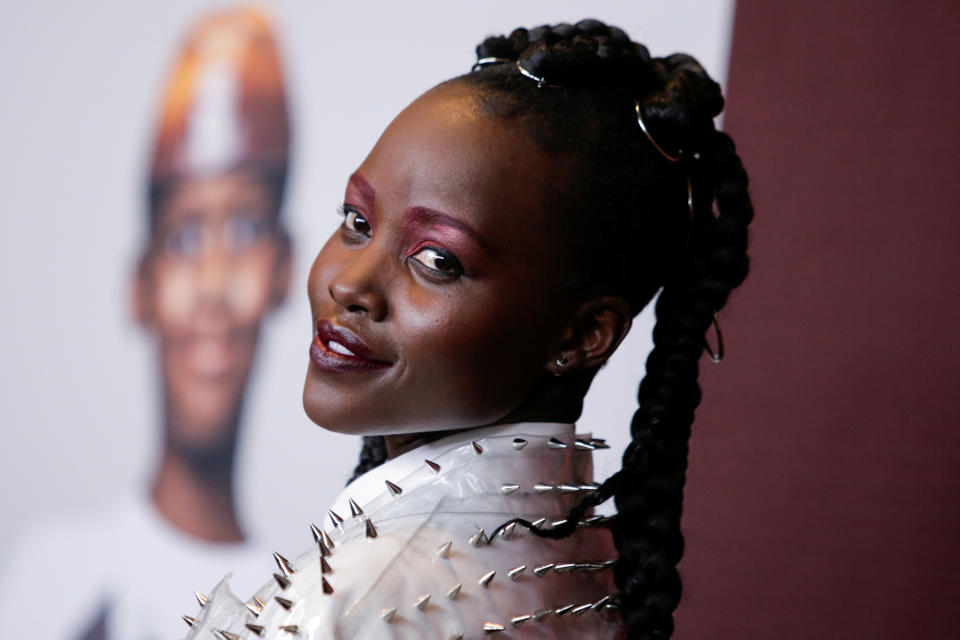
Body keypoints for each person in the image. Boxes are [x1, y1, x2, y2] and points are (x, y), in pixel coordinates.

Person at [183, 18, 752, 640]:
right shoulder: (576, 557)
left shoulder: (353, 603)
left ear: (581, 335)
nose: (350, 285)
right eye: (356, 221)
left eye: (437, 261)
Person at [0, 8, 292, 640]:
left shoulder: (303, 612)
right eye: (185, 236)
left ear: (283, 268)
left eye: (244, 228)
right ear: (141, 286)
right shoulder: (51, 575)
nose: (214, 283)